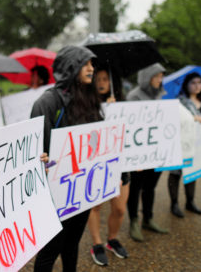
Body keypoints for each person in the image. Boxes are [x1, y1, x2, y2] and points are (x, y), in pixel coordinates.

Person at [31, 45, 101, 272]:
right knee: (51, 249)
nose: (92, 68)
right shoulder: (48, 102)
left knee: (72, 243)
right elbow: (36, 150)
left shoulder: (91, 98)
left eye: (92, 64)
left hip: (81, 190)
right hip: (57, 193)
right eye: (86, 63)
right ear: (72, 66)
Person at [87, 68, 130, 266]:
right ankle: (97, 243)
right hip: (97, 165)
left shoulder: (123, 105)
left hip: (121, 164)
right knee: (95, 206)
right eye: (99, 79)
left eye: (106, 79)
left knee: (120, 209)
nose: (102, 82)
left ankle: (112, 239)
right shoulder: (87, 105)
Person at [126, 63, 169, 242]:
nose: (160, 79)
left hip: (156, 151)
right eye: (157, 76)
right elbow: (130, 125)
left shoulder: (160, 95)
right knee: (136, 188)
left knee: (151, 187)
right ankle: (134, 221)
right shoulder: (133, 96)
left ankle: (148, 219)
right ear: (147, 77)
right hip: (139, 153)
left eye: (161, 76)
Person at [168, 72, 201, 217]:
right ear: (187, 85)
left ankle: (190, 201)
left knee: (193, 172)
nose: (197, 86)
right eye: (193, 83)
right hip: (181, 144)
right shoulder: (180, 101)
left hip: (197, 145)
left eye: (199, 82)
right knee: (176, 173)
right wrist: (192, 118)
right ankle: (174, 203)